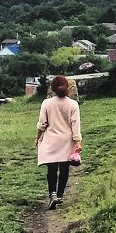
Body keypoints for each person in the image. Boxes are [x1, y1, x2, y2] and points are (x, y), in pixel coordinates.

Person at [35, 74, 82, 209]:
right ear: (67, 87)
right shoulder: (73, 104)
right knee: (64, 168)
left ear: (52, 88)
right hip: (67, 140)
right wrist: (77, 142)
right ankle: (60, 195)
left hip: (51, 140)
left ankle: (52, 194)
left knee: (52, 168)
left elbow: (42, 124)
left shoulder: (46, 103)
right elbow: (75, 124)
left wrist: (38, 138)